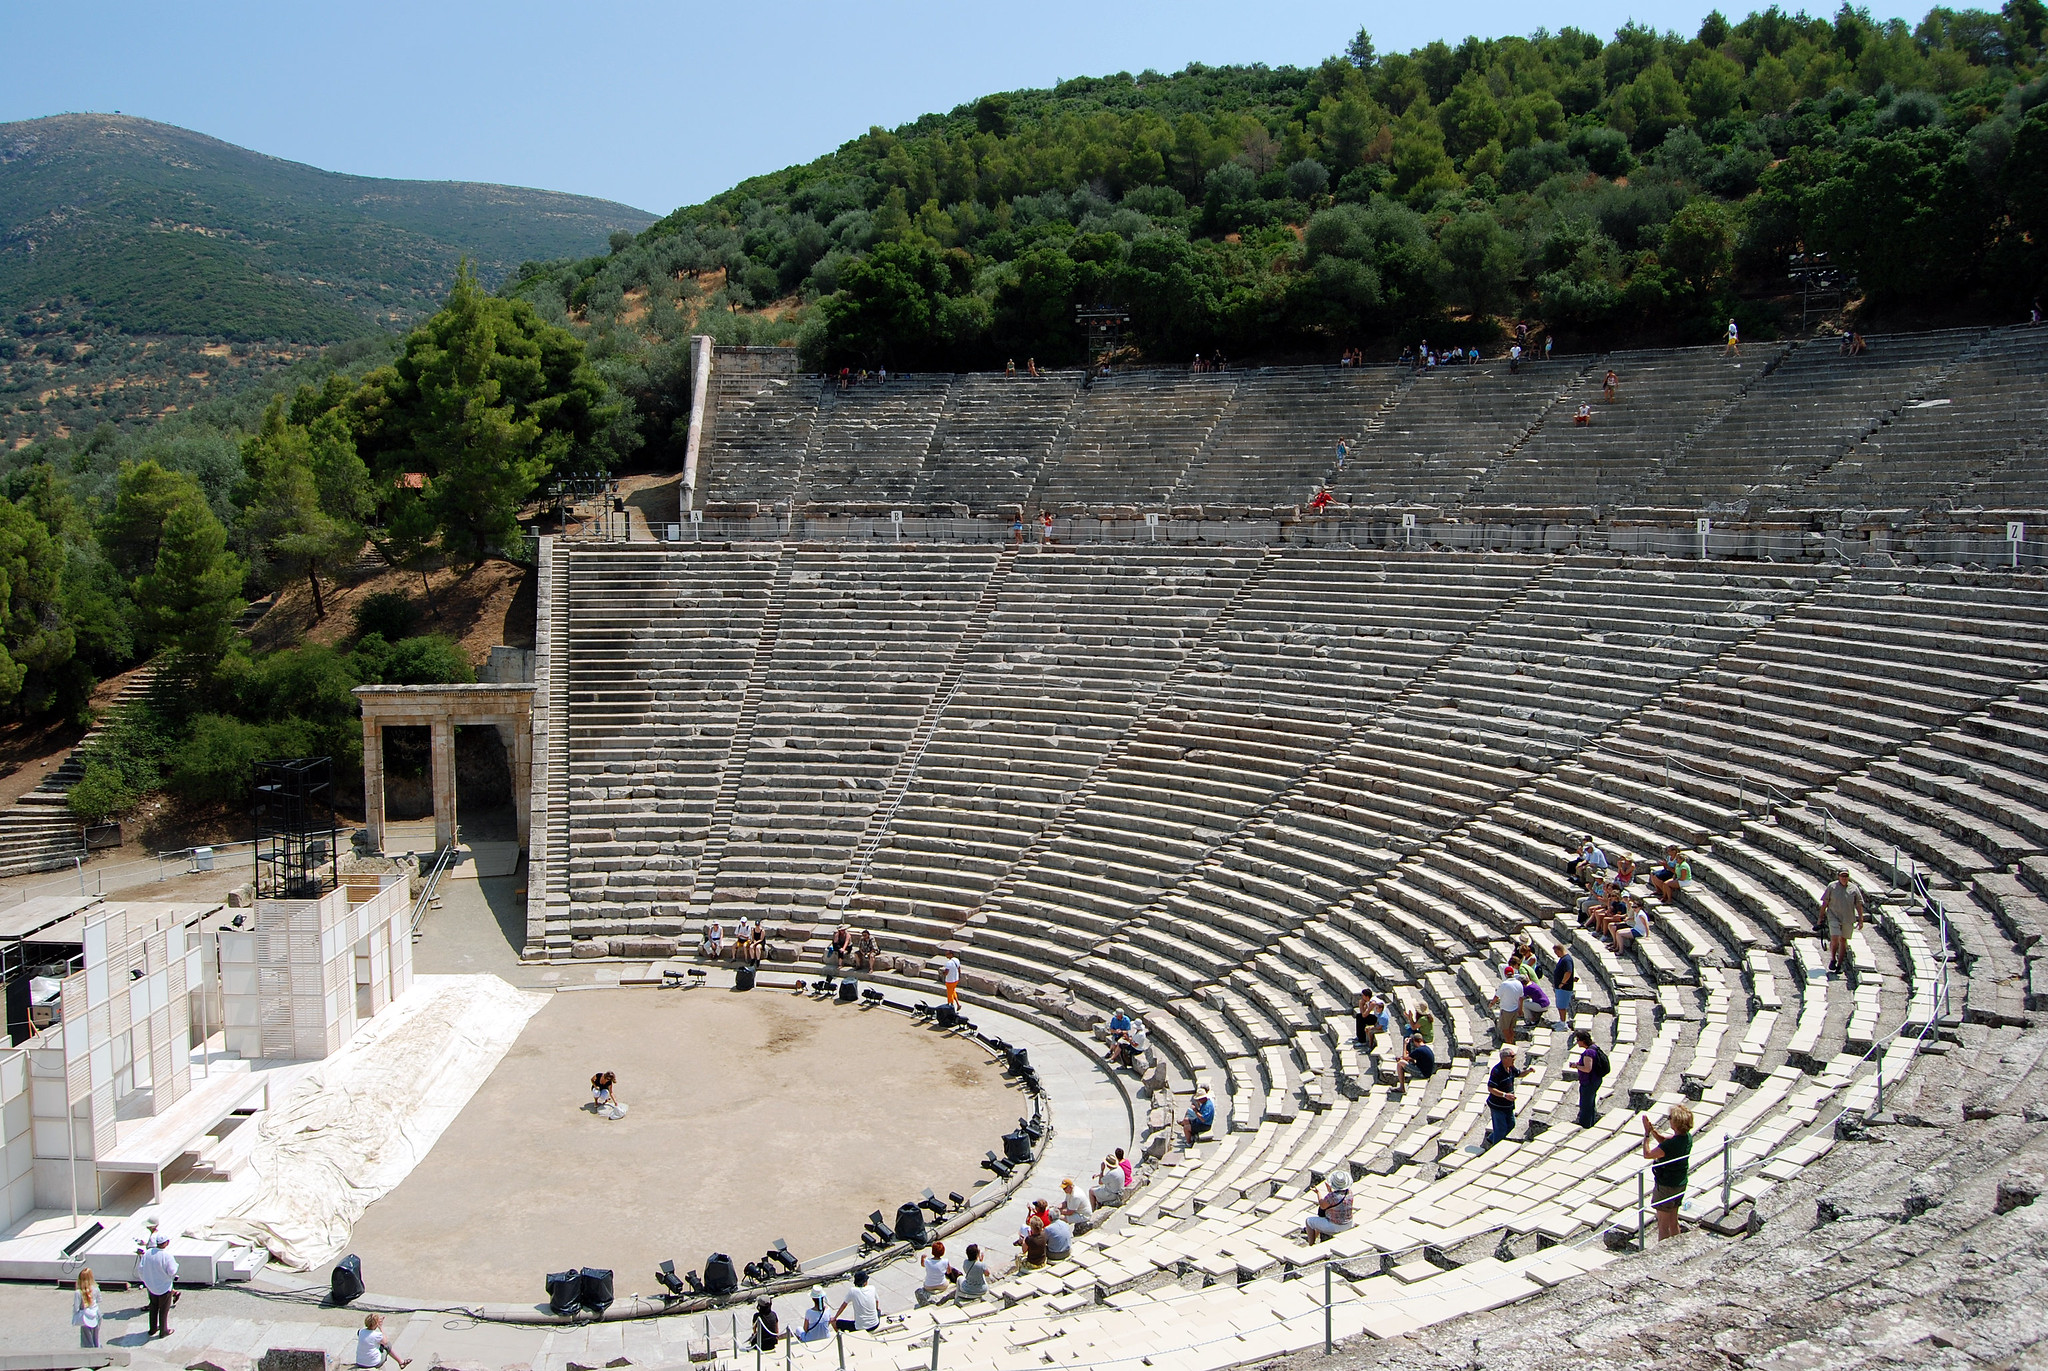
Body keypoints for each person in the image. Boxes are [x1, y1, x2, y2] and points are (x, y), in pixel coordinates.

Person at [1643, 1104, 1695, 1239]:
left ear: (1676, 1123)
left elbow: (1648, 1154)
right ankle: (1676, 1245)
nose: (1669, 1119)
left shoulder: (1670, 1145)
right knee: (1673, 1220)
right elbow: (1665, 1141)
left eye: (1670, 1117)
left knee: (1663, 1225)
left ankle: (1663, 1249)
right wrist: (1653, 1131)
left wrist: (1647, 1134)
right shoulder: (1687, 1137)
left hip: (1666, 1185)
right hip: (1680, 1183)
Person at [1484, 1046, 1532, 1148]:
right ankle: (1495, 1149)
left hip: (1508, 1105)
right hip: (1497, 1106)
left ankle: (1491, 1139)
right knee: (1500, 1129)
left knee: (1511, 1124)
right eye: (1512, 1056)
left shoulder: (1510, 1068)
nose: (1515, 1058)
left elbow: (1519, 1074)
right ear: (1505, 1058)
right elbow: (1491, 1088)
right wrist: (1505, 1095)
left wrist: (1528, 1071)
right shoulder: (1497, 1071)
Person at [1821, 869, 1865, 975]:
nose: (1844, 878)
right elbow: (1825, 902)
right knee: (1835, 937)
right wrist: (1821, 917)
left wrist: (1861, 919)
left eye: (1846, 876)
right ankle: (1833, 958)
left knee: (1843, 940)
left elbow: (1859, 904)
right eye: (1842, 876)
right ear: (1838, 876)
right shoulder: (1832, 886)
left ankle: (1839, 964)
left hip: (1848, 918)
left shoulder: (1854, 888)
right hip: (1833, 916)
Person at [138, 1233, 178, 1338]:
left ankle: (152, 1329)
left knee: (153, 1307)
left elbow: (141, 1269)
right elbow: (172, 1271)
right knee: (163, 1310)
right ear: (166, 1243)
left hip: (151, 1286)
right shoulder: (167, 1256)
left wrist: (146, 1281)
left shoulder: (148, 1253)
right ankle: (164, 1331)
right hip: (164, 1287)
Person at [1303, 1168, 1355, 1242]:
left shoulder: (1332, 1196)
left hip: (1336, 1226)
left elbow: (1322, 1205)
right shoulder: (1350, 1192)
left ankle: (1311, 1244)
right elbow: (1337, 1202)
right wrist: (1330, 1192)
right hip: (1349, 1223)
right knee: (1321, 1219)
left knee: (1309, 1221)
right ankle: (1315, 1237)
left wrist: (1318, 1193)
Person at [1574, 1029, 1609, 1128]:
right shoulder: (1594, 1047)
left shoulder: (1588, 1052)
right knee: (1590, 1103)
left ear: (1583, 1041)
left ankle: (1585, 1125)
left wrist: (1576, 1066)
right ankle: (1591, 1123)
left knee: (1585, 1104)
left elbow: (1587, 1069)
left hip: (1589, 1082)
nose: (1577, 1042)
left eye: (1578, 1040)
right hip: (1595, 1080)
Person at [916, 1241, 959, 1306]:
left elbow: (922, 1265)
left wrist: (922, 1258)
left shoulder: (927, 1261)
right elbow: (949, 1272)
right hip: (942, 1285)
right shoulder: (945, 1261)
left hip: (928, 1286)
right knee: (947, 1279)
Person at [1492, 967, 1523, 1046]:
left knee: (1505, 1029)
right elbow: (1521, 998)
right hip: (1515, 1009)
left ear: (1505, 975)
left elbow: (1496, 996)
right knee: (1511, 1028)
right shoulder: (1519, 983)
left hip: (1506, 1010)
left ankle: (1509, 1044)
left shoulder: (1504, 984)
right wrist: (1520, 1010)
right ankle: (1512, 1042)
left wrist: (1491, 1004)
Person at [73, 1268, 100, 1349]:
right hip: (96, 1314)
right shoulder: (96, 1288)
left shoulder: (78, 1292)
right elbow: (99, 1300)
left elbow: (76, 1308)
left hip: (85, 1316)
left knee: (87, 1340)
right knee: (96, 1338)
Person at [1551, 944, 1576, 1022]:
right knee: (1560, 1005)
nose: (1556, 954)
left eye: (1556, 952)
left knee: (1562, 1006)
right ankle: (1561, 1021)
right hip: (1561, 987)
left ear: (1559, 950)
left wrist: (1562, 983)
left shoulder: (1566, 960)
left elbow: (1568, 972)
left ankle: (1563, 1023)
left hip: (1564, 988)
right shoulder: (1563, 959)